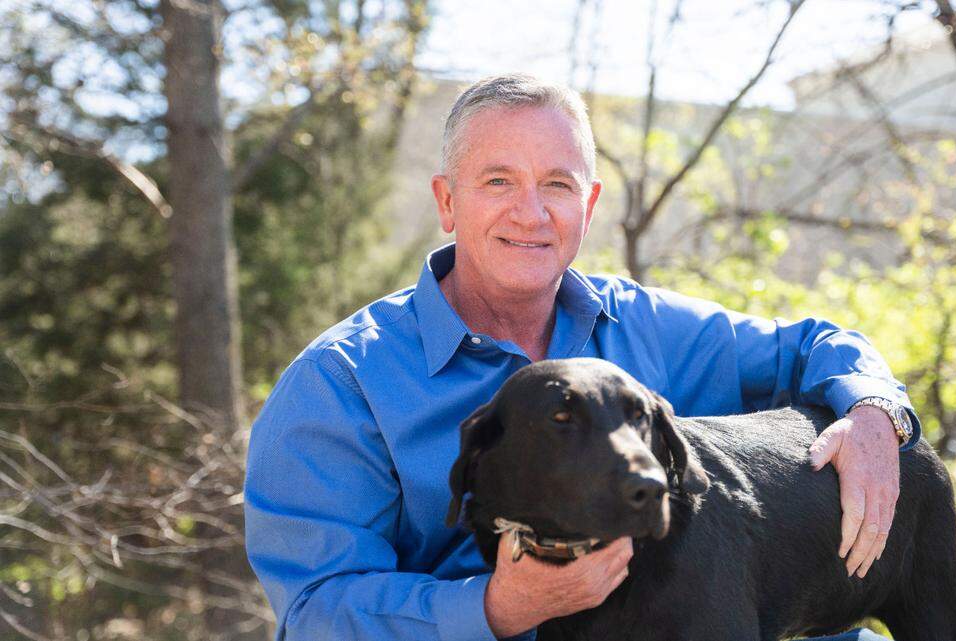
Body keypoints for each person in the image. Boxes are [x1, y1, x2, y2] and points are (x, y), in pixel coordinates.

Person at [243, 73, 919, 641]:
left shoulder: (648, 327)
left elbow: (817, 346)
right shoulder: (340, 385)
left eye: (558, 185)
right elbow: (313, 613)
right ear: (447, 201)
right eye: (499, 181)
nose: (531, 213)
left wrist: (873, 411)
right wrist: (497, 608)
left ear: (589, 205)